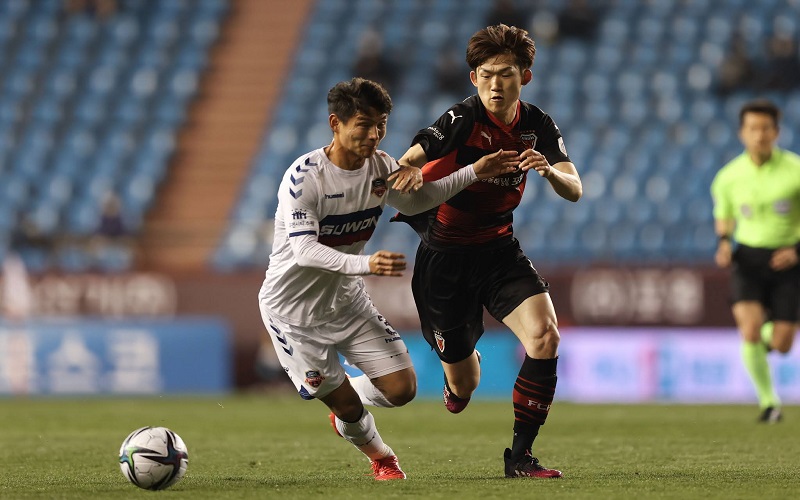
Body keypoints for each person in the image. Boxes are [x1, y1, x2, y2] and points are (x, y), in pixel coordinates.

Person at [257, 77, 520, 480]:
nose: (374, 135)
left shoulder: (381, 167)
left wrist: (474, 171)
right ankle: (382, 458)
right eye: (363, 125)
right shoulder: (304, 178)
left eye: (380, 125)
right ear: (336, 123)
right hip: (293, 314)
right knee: (348, 408)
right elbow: (304, 250)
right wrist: (366, 264)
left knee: (402, 390)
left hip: (346, 303)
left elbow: (418, 200)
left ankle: (344, 391)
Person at [394, 24, 581, 478]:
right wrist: (406, 169)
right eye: (487, 75)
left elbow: (574, 188)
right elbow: (420, 149)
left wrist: (549, 172)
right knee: (464, 386)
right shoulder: (463, 117)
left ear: (525, 77)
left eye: (506, 74)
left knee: (545, 336)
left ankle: (520, 456)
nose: (495, 84)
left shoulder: (537, 125)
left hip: (499, 249)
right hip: (445, 260)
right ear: (474, 78)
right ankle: (459, 373)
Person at [711, 99, 800, 424]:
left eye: (765, 128)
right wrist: (724, 243)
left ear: (776, 132)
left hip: (788, 260)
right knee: (749, 330)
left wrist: (797, 250)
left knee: (782, 344)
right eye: (752, 128)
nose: (759, 135)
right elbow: (725, 216)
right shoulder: (728, 177)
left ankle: (766, 337)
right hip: (748, 258)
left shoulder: (796, 170)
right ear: (742, 133)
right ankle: (769, 403)